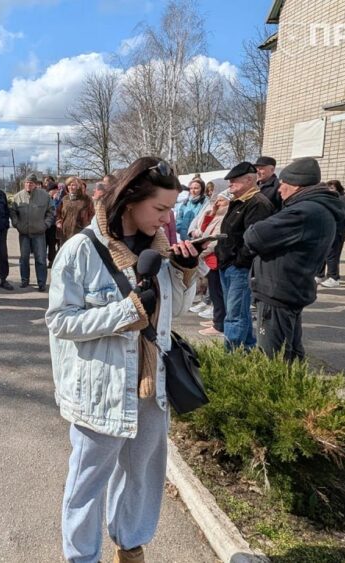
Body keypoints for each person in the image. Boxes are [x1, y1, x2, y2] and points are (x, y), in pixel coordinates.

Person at [46, 157, 198, 563]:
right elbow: (60, 321)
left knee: (141, 475)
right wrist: (126, 312)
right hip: (101, 388)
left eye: (170, 209)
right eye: (160, 208)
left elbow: (172, 313)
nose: (167, 219)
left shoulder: (158, 250)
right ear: (131, 200)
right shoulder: (80, 251)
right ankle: (82, 558)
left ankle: (130, 548)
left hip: (151, 386)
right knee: (87, 484)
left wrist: (185, 273)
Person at [246, 158, 345, 363]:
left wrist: (253, 229)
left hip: (278, 291)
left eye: (283, 184)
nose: (279, 189)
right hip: (291, 288)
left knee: (272, 359)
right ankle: (292, 380)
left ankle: (278, 384)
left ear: (297, 185)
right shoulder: (317, 208)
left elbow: (255, 236)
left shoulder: (303, 212)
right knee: (290, 352)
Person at [215, 162, 275, 351]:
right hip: (228, 264)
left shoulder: (258, 203)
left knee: (235, 315)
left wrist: (239, 261)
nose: (229, 184)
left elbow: (254, 239)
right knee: (237, 312)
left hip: (239, 267)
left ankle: (232, 354)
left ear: (249, 180)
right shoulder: (239, 201)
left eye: (234, 181)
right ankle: (247, 348)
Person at [190, 193, 230, 337]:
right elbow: (203, 230)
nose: (217, 203)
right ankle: (217, 319)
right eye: (216, 200)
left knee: (217, 292)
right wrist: (210, 213)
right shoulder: (217, 215)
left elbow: (214, 242)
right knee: (214, 292)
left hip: (215, 258)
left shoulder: (225, 217)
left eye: (221, 201)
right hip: (209, 258)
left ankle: (219, 324)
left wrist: (200, 252)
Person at [11, 173, 54, 291]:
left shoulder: (45, 196)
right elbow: (13, 212)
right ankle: (24, 280)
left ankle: (41, 283)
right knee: (24, 258)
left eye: (31, 183)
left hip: (39, 232)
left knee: (40, 259)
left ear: (35, 184)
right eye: (26, 182)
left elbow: (51, 211)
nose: (28, 185)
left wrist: (46, 224)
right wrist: (16, 224)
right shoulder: (18, 197)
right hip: (24, 233)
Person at [317, 180, 345, 288]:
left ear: (338, 189)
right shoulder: (330, 200)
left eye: (332, 188)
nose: (329, 190)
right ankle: (319, 275)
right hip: (327, 232)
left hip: (337, 232)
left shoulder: (343, 200)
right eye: (328, 188)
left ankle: (334, 278)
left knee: (332, 255)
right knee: (322, 253)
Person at [55, 176, 94, 246]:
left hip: (80, 232)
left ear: (78, 186)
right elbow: (58, 213)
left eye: (73, 185)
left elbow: (92, 214)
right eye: (69, 185)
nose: (70, 187)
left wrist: (87, 225)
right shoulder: (65, 199)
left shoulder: (86, 199)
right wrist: (59, 222)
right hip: (65, 232)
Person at [45, 182, 62, 267]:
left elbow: (58, 211)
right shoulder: (44, 199)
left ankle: (51, 261)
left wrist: (55, 200)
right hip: (45, 225)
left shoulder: (57, 199)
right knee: (44, 245)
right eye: (55, 190)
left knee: (52, 245)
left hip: (53, 226)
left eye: (57, 190)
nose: (56, 192)